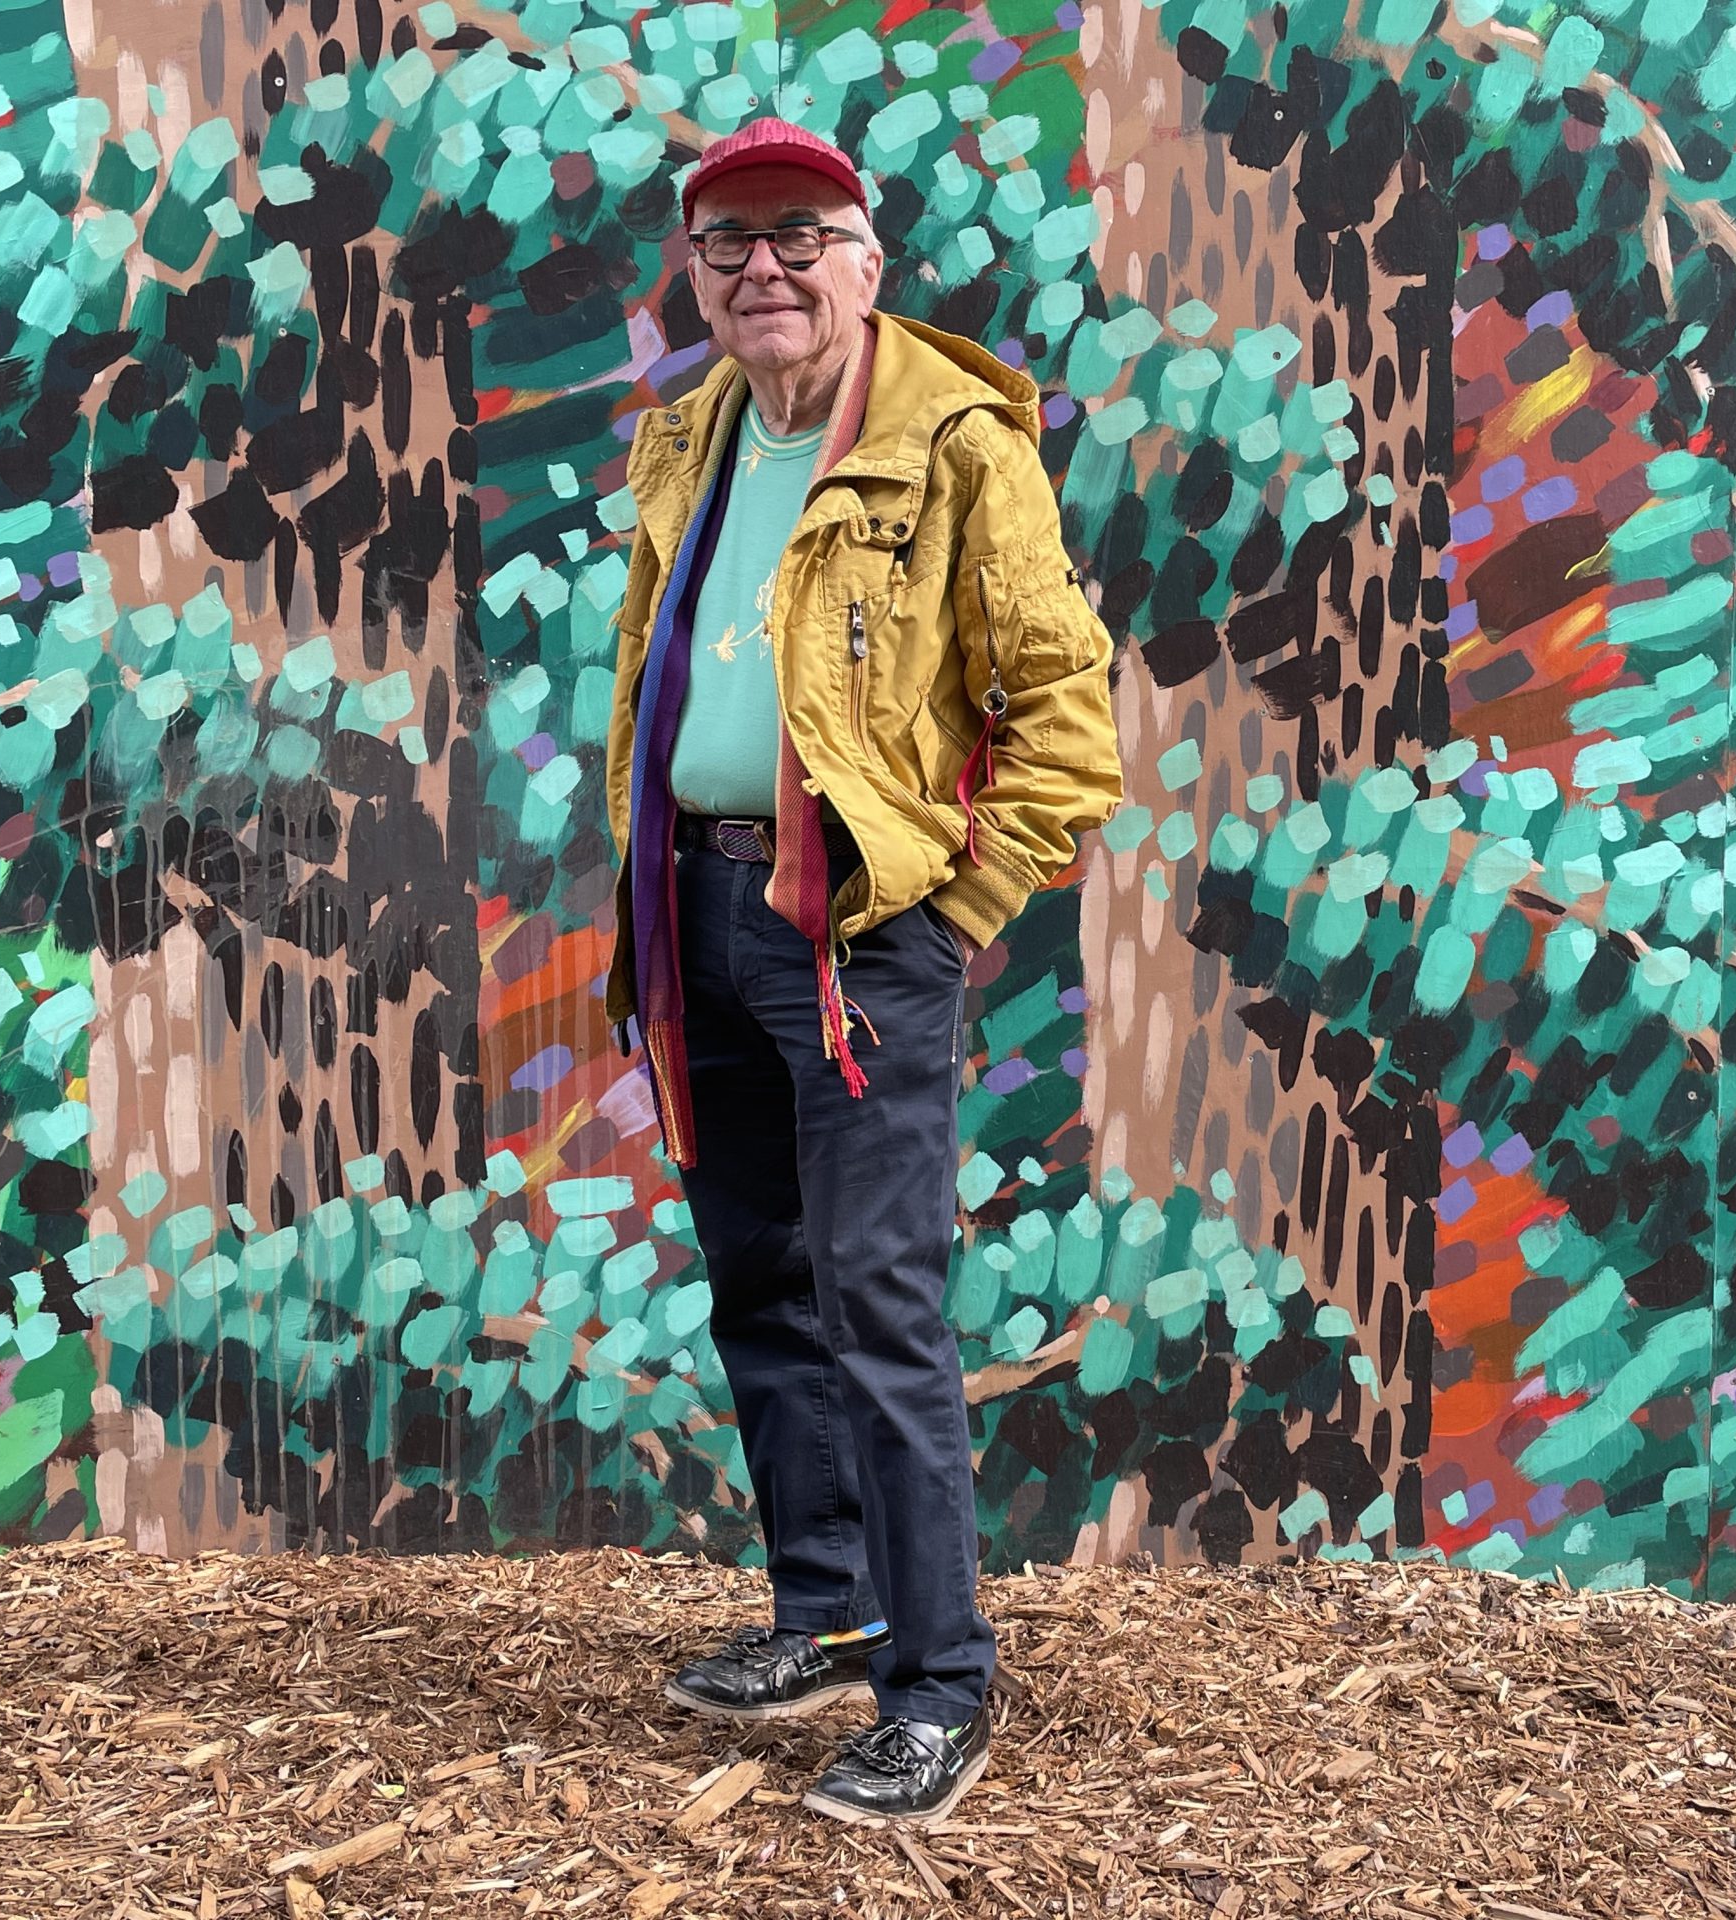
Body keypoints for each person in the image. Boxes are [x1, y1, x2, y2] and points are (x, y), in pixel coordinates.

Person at [600, 117, 1122, 1826]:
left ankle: (940, 1685)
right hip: (692, 908)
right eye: (730, 241)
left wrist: (949, 922)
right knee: (761, 1280)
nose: (765, 268)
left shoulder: (957, 443)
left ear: (865, 261)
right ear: (695, 271)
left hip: (856, 938)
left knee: (877, 1302)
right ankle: (821, 1611)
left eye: (800, 236)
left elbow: (1064, 729)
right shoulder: (687, 440)